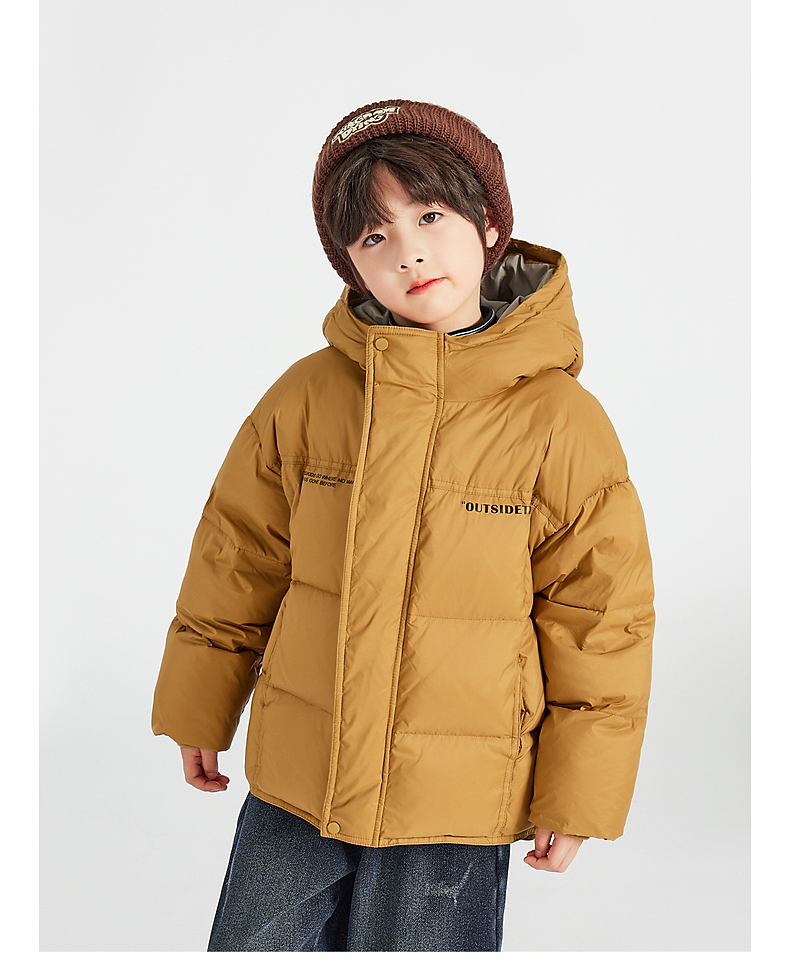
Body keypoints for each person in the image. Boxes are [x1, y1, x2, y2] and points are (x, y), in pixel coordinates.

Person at [151, 98, 655, 952]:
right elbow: (237, 555)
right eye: (373, 236)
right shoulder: (307, 398)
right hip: (300, 774)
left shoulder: (559, 422)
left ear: (488, 224)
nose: (408, 251)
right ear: (351, 265)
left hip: (455, 797)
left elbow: (601, 618)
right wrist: (202, 701)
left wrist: (581, 789)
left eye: (429, 216)